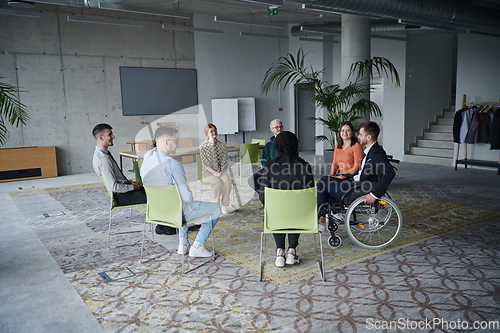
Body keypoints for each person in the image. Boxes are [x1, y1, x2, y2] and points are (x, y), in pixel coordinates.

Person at [140, 126, 220, 257]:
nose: (177, 145)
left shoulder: (146, 162)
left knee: (180, 203)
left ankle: (183, 244)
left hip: (155, 213)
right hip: (175, 214)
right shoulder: (173, 164)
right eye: (175, 141)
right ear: (166, 142)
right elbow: (188, 198)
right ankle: (198, 246)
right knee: (215, 208)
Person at [92, 123, 176, 235]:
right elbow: (113, 186)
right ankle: (163, 226)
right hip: (123, 196)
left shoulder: (102, 154)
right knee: (159, 194)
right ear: (101, 137)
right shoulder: (103, 159)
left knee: (156, 190)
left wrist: (129, 182)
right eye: (110, 134)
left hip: (124, 192)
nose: (113, 137)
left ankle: (165, 223)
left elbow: (114, 179)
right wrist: (132, 187)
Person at [316, 121, 396, 228]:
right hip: (355, 183)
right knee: (326, 181)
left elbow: (390, 173)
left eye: (361, 134)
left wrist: (374, 194)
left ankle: (321, 219)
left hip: (358, 189)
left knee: (323, 183)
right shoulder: (370, 151)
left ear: (369, 137)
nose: (358, 137)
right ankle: (326, 216)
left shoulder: (376, 153)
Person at [257, 131, 315, 268]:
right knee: (296, 209)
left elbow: (262, 194)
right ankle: (292, 251)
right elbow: (311, 194)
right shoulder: (304, 166)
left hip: (276, 218)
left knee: (275, 210)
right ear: (295, 145)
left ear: (277, 145)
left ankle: (279, 252)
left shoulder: (269, 166)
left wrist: (271, 206)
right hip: (301, 218)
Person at [199, 124, 232, 214]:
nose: (214, 132)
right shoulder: (202, 146)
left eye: (215, 130)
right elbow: (205, 164)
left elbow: (225, 160)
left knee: (228, 182)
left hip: (221, 171)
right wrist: (214, 173)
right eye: (211, 131)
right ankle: (216, 206)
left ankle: (224, 205)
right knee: (217, 183)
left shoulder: (222, 145)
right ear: (207, 133)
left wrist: (221, 170)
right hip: (208, 173)